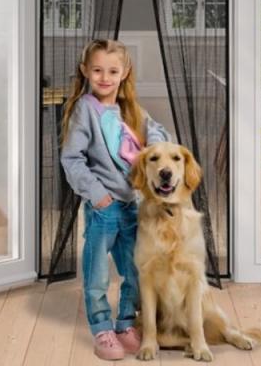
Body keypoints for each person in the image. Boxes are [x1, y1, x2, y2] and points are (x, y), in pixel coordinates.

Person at [60, 39, 172, 360]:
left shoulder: (130, 109)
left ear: (124, 72)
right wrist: (98, 196)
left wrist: (154, 144)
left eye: (112, 70)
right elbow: (72, 159)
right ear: (85, 71)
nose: (104, 77)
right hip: (104, 208)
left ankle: (125, 323)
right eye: (97, 70)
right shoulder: (86, 109)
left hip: (132, 206)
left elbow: (158, 133)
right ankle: (102, 329)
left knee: (136, 269)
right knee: (97, 273)